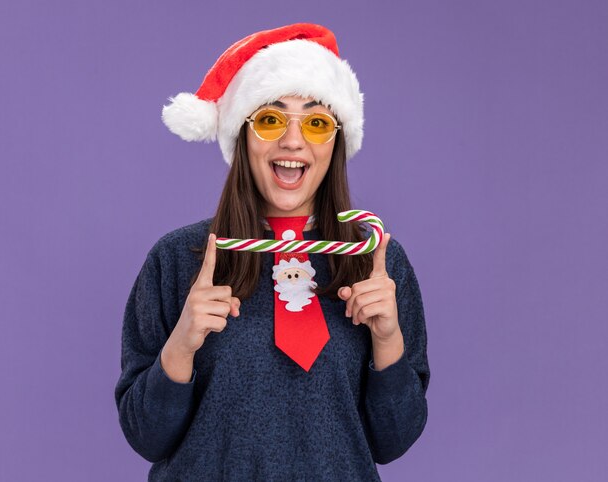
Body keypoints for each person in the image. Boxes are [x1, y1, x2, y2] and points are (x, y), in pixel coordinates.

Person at [114, 23, 430, 481]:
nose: (293, 141)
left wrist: (387, 341)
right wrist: (181, 345)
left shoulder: (376, 260)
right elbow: (146, 437)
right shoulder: (178, 258)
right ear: (242, 136)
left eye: (317, 123)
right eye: (270, 119)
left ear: (336, 142)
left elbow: (393, 442)